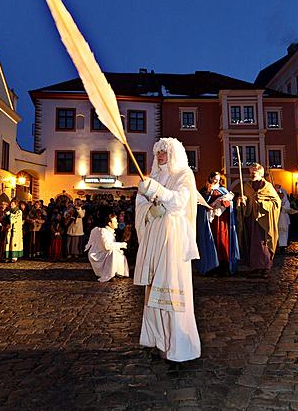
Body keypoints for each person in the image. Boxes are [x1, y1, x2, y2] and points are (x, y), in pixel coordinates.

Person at [134, 137, 201, 363]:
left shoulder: (184, 174)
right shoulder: (153, 176)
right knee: (153, 289)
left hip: (173, 239)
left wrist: (156, 191)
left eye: (164, 151)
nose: (160, 155)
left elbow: (180, 202)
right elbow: (141, 204)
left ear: (173, 153)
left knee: (171, 288)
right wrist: (148, 210)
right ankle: (158, 339)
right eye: (157, 151)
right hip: (155, 236)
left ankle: (180, 345)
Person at [237, 163, 281, 279]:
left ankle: (265, 267)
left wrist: (263, 204)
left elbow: (277, 202)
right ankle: (254, 267)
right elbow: (245, 201)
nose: (251, 174)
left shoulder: (268, 187)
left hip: (264, 220)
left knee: (263, 243)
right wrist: (242, 202)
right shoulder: (246, 186)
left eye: (254, 172)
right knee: (252, 243)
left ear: (261, 174)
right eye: (250, 172)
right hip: (251, 219)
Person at [195, 171, 239, 276]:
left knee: (223, 241)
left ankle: (224, 267)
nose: (216, 181)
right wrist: (210, 205)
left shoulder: (223, 190)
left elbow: (230, 205)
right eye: (215, 178)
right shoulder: (204, 192)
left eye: (218, 179)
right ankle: (211, 267)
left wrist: (225, 202)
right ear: (210, 178)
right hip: (210, 224)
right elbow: (201, 206)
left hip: (223, 222)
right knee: (211, 242)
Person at [85, 214, 129, 282]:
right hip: (98, 255)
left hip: (105, 252)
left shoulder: (110, 231)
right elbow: (107, 246)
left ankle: (119, 272)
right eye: (115, 222)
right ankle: (109, 274)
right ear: (109, 223)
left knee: (119, 254)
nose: (117, 223)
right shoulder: (103, 231)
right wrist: (121, 245)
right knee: (113, 253)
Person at [5, 199, 23, 263]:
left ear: (16, 204)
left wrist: (9, 215)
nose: (11, 205)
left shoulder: (19, 211)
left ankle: (14, 257)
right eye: (11, 204)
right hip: (9, 229)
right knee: (8, 243)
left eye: (12, 204)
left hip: (16, 230)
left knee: (14, 243)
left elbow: (15, 218)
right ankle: (8, 257)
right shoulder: (10, 211)